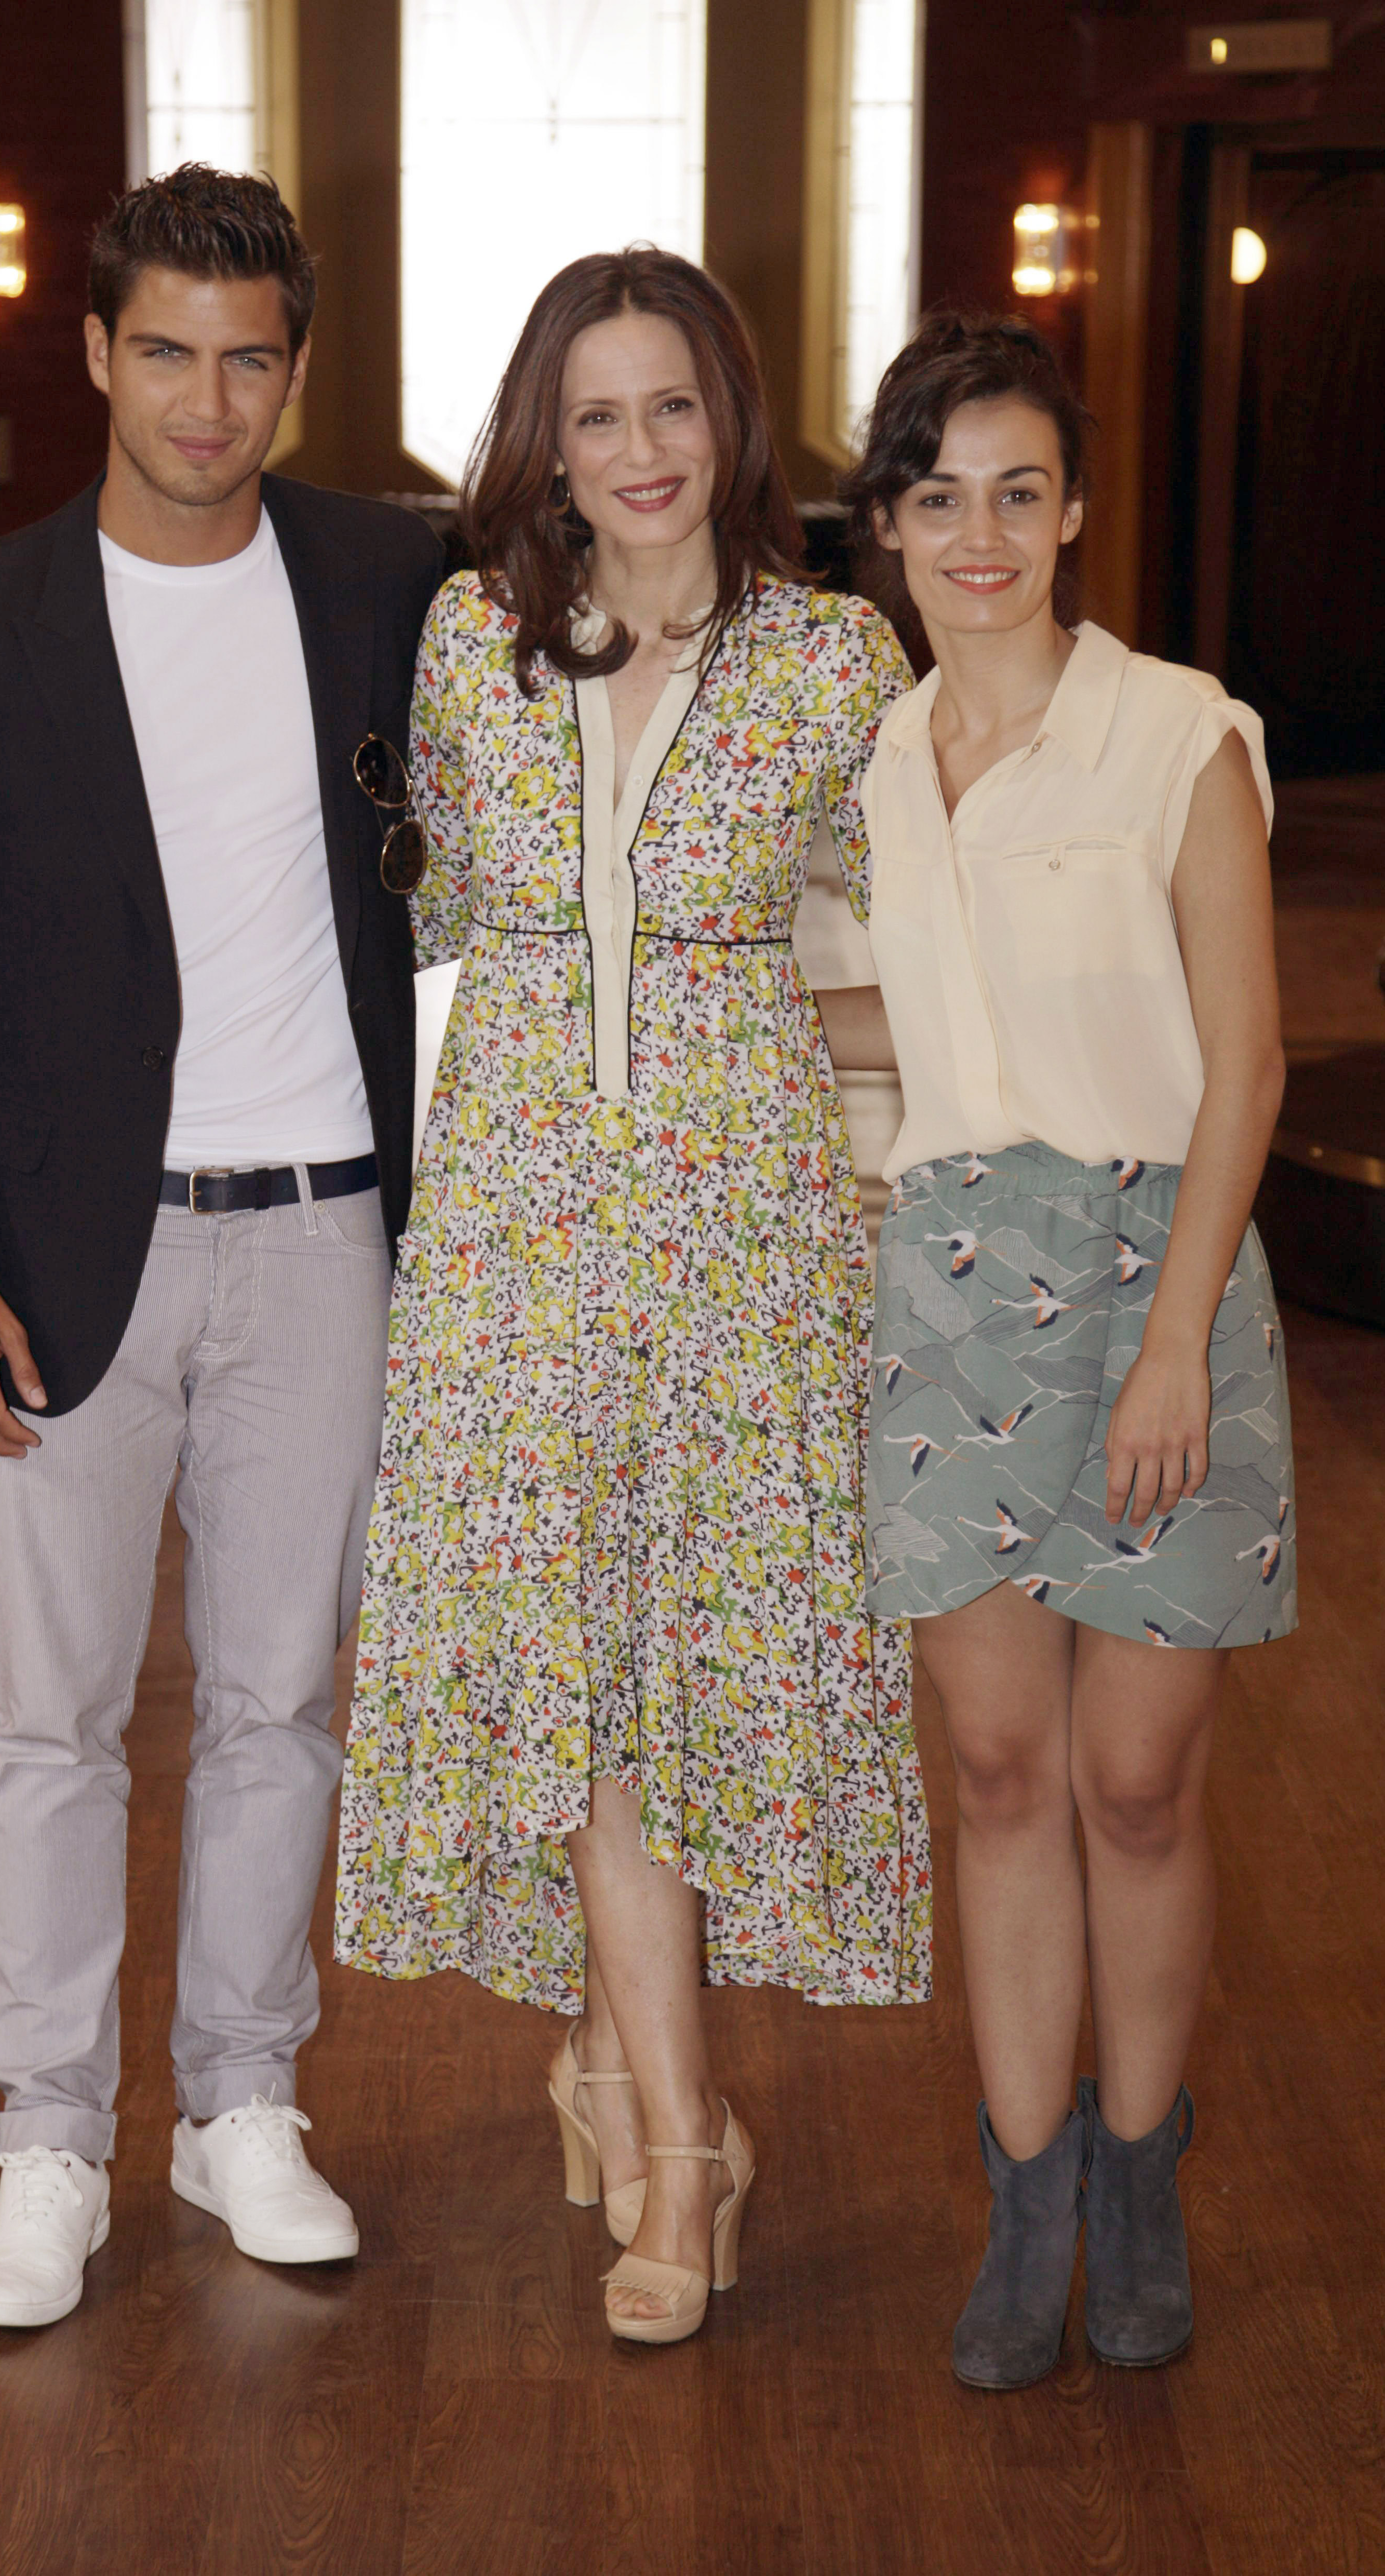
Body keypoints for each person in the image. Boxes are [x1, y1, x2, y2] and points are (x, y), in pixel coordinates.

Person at [0, 165, 442, 2329]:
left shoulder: (389, 576)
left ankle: (238, 2106)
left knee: (284, 1695)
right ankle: (49, 2138)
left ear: (297, 369)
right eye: (165, 351)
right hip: (60, 1251)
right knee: (50, 1717)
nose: (207, 399)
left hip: (324, 1236)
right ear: (95, 352)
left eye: (249, 357)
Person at [334, 248, 931, 2347]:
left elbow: (881, 975)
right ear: (543, 441)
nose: (638, 454)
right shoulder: (470, 643)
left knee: (679, 1677)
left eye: (668, 407)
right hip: (515, 1242)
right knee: (577, 1686)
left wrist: (891, 1215)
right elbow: (442, 951)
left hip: (746, 1247)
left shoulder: (833, 663)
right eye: (594, 416)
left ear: (729, 418)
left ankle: (616, 2067)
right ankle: (683, 2154)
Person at [846, 312, 1294, 2388]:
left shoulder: (1175, 732)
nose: (981, 532)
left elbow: (1250, 1062)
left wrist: (1171, 1342)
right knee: (1002, 1770)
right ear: (887, 527)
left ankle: (1140, 2166)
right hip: (944, 1285)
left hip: (1150, 1276)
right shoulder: (871, 760)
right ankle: (1027, 2203)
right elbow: (882, 1039)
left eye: (1017, 491)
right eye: (936, 496)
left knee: (1129, 1778)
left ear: (1073, 509)